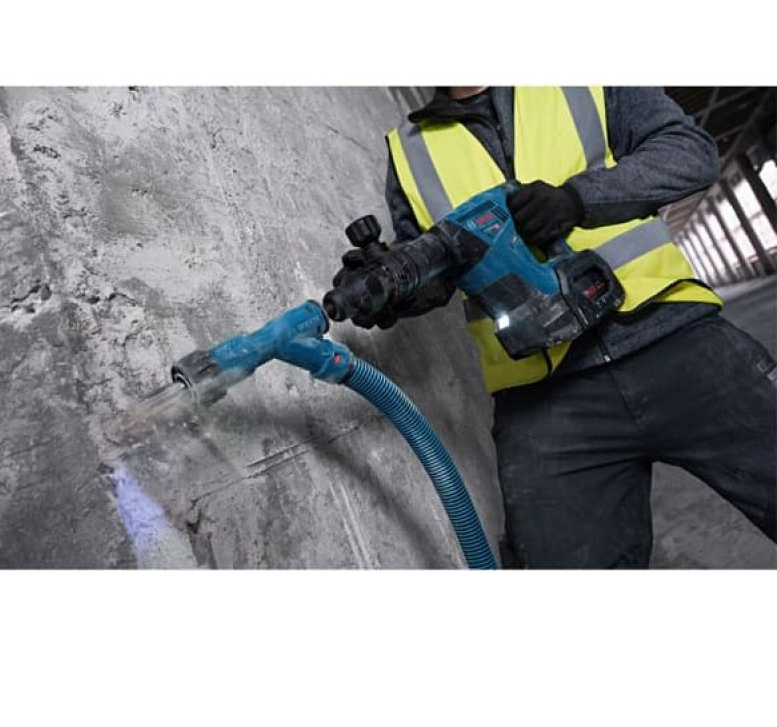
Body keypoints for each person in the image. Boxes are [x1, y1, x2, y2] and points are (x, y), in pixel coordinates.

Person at [333, 86, 777, 569]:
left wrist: (578, 199)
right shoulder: (409, 150)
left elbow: (689, 153)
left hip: (674, 339)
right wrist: (392, 291)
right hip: (546, 403)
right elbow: (438, 271)